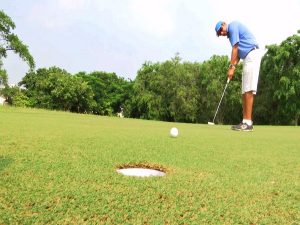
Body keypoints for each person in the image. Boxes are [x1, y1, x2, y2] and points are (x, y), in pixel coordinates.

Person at [215, 21, 261, 131]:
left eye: (220, 30)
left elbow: (235, 48)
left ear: (224, 24)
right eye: (219, 33)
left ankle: (248, 123)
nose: (221, 33)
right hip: (247, 57)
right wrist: (233, 67)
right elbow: (238, 54)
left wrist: (231, 67)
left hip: (252, 54)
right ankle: (245, 121)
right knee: (244, 91)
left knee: (249, 90)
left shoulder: (233, 26)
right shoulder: (231, 35)